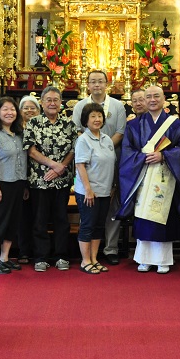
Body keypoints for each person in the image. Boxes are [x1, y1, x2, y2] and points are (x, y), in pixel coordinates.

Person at [118, 85, 180, 274]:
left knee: (163, 216)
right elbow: (127, 151)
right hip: (142, 174)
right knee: (143, 216)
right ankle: (143, 258)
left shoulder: (175, 125)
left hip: (166, 176)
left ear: (164, 99)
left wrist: (165, 156)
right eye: (148, 96)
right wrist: (142, 158)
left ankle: (163, 259)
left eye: (156, 96)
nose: (152, 100)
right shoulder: (134, 125)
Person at [72, 70, 127, 266]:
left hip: (107, 172)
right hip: (90, 178)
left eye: (101, 81)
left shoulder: (117, 107)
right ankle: (86, 260)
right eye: (93, 81)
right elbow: (77, 135)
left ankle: (103, 253)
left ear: (107, 84)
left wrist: (104, 147)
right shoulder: (80, 109)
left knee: (106, 216)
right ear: (87, 84)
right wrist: (97, 148)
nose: (97, 85)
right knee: (88, 221)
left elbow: (120, 131)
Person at [24, 86, 77, 272]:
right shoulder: (33, 123)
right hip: (40, 180)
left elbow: (73, 149)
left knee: (61, 219)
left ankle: (61, 255)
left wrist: (60, 167)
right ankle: (41, 257)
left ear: (61, 103)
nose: (52, 103)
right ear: (42, 102)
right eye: (48, 100)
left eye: (56, 100)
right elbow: (30, 150)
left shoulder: (69, 124)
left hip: (62, 180)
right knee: (40, 220)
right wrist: (53, 165)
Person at [0, 97, 28, 274]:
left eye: (12, 109)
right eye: (5, 109)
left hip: (18, 183)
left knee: (12, 223)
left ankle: (5, 258)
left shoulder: (18, 134)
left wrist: (23, 185)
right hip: (1, 184)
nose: (10, 113)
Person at [74, 103, 116, 274]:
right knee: (88, 225)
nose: (97, 119)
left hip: (105, 190)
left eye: (99, 116)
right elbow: (80, 165)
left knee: (99, 226)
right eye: (93, 116)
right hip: (88, 192)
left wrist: (112, 187)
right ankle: (85, 261)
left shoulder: (106, 139)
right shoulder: (83, 140)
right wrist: (88, 189)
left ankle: (94, 258)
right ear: (86, 120)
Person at [17, 94, 40, 263]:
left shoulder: (42, 128)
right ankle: (24, 250)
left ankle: (39, 251)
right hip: (21, 178)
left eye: (33, 108)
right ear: (20, 111)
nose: (30, 110)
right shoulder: (16, 130)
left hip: (41, 178)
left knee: (39, 216)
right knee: (23, 217)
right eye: (26, 108)